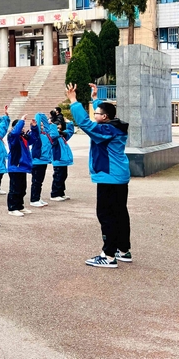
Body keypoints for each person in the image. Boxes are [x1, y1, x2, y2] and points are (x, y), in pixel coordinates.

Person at [69, 83, 131, 268]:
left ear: (104, 117)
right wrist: (95, 98)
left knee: (106, 215)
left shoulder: (106, 130)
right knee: (119, 213)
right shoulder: (113, 125)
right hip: (117, 176)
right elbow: (103, 113)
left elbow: (85, 124)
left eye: (96, 112)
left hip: (109, 177)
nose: (93, 114)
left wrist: (73, 101)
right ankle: (123, 249)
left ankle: (109, 255)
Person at [6, 116, 40, 217]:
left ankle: (20, 206)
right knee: (14, 188)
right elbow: (15, 133)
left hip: (23, 166)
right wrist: (21, 121)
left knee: (22, 188)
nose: (23, 129)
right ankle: (12, 208)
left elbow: (34, 138)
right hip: (15, 166)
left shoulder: (23, 138)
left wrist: (34, 127)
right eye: (21, 127)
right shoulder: (12, 136)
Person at [49, 111, 75, 201]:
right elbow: (53, 135)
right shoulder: (54, 137)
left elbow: (70, 131)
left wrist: (68, 122)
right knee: (58, 177)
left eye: (59, 125)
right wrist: (52, 126)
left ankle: (61, 192)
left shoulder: (62, 136)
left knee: (63, 176)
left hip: (64, 160)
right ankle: (55, 194)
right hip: (58, 160)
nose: (58, 126)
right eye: (57, 125)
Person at [29, 113, 53, 208]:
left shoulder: (47, 134)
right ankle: (34, 199)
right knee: (36, 181)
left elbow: (48, 126)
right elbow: (36, 128)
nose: (42, 126)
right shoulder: (36, 135)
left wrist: (44, 117)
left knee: (40, 181)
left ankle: (37, 198)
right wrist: (39, 116)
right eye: (41, 125)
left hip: (44, 160)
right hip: (37, 161)